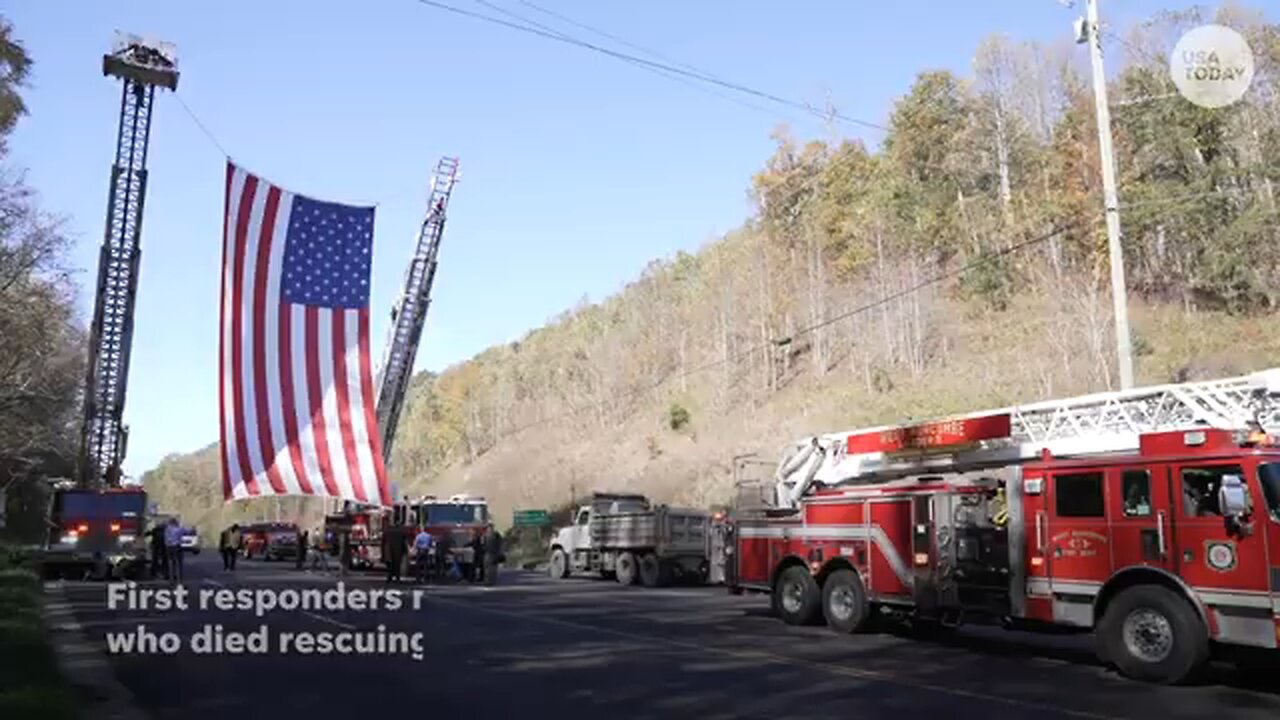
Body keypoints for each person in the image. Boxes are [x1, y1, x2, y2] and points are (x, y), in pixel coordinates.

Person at [164, 518, 184, 582]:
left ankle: (171, 579)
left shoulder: (167, 529)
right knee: (178, 563)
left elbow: (166, 538)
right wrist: (193, 529)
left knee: (170, 563)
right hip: (176, 547)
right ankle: (179, 578)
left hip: (168, 547)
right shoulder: (179, 529)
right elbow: (188, 531)